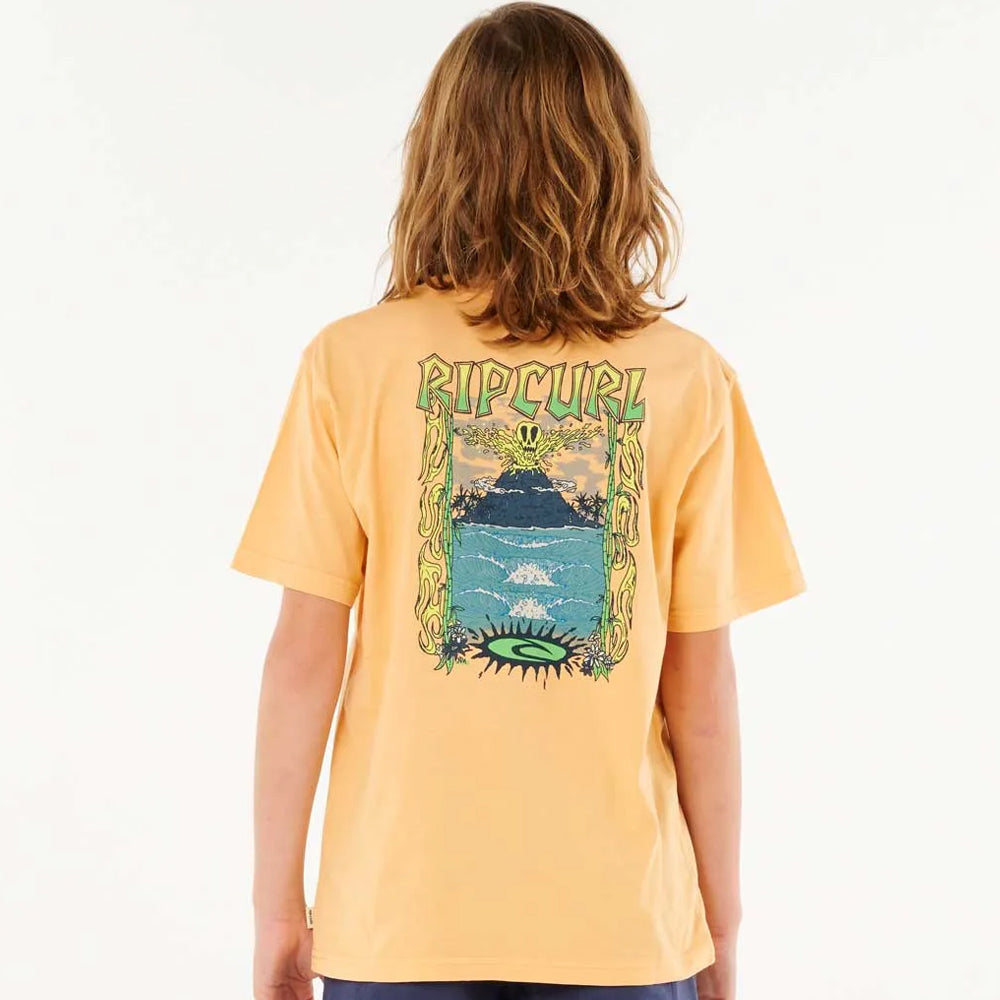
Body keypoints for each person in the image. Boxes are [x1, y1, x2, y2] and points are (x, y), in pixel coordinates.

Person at [232, 5, 804, 1000]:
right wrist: (718, 925)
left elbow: (302, 660)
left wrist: (278, 909)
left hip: (400, 917)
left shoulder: (352, 363)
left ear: (441, 156)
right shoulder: (685, 378)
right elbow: (701, 686)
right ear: (618, 162)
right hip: (622, 924)